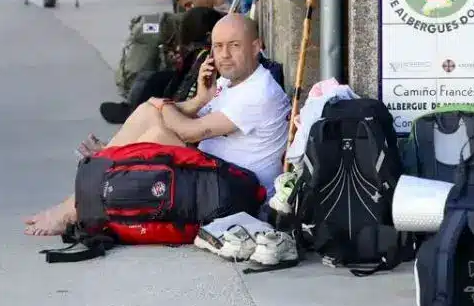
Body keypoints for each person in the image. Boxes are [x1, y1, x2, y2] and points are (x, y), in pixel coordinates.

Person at [25, 14, 289, 236]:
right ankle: (106, 162)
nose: (224, 55)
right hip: (213, 173)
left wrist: (161, 104)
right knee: (150, 114)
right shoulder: (228, 84)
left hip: (240, 190)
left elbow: (188, 130)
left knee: (158, 129)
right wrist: (197, 100)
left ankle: (78, 200)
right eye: (218, 47)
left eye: (234, 46)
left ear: (256, 47)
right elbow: (189, 119)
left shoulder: (260, 92)